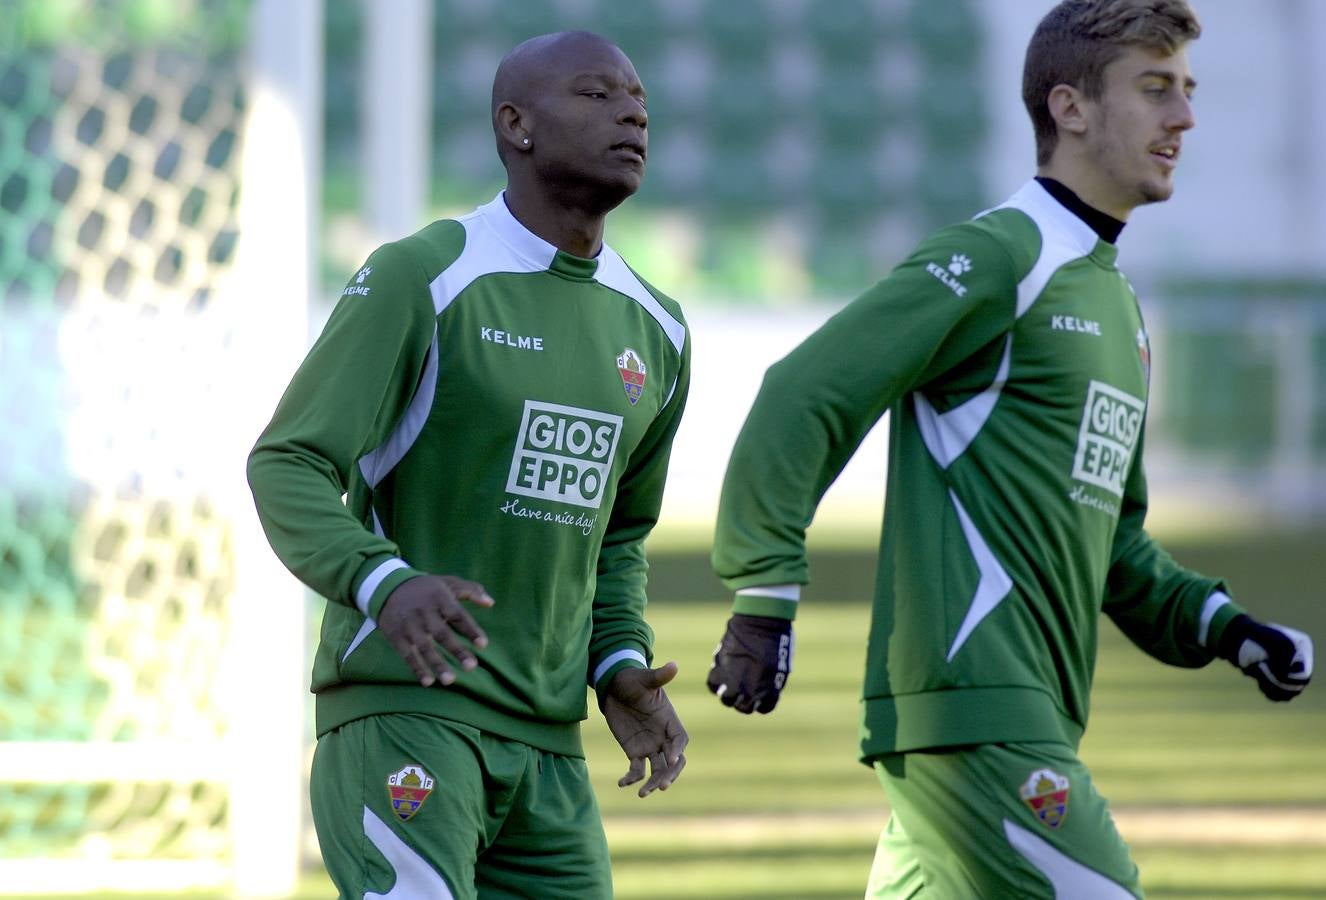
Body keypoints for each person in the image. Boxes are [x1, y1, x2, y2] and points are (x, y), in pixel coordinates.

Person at [704, 1, 1313, 897]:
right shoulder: (999, 256)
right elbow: (809, 390)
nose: (1183, 117)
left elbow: (1115, 546)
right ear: (1070, 109)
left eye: (1186, 91)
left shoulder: (1118, 307)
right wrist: (764, 592)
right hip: (976, 708)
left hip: (1019, 717)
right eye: (1154, 90)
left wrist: (1225, 628)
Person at [248, 30, 690, 899]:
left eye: (638, 97)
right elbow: (287, 462)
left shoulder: (660, 330)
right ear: (515, 124)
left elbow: (620, 538)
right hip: (407, 717)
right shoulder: (425, 276)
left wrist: (617, 662)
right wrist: (383, 582)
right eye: (597, 95)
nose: (633, 111)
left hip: (550, 754)